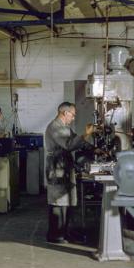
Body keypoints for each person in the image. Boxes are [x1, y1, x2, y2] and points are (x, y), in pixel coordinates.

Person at [44, 102, 93, 243]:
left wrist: (93, 148)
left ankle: (64, 233)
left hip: (64, 164)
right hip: (57, 167)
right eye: (72, 115)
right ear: (65, 113)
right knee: (58, 200)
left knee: (68, 200)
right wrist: (86, 134)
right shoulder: (54, 127)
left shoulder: (64, 127)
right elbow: (69, 145)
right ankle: (55, 235)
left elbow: (77, 140)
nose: (73, 118)